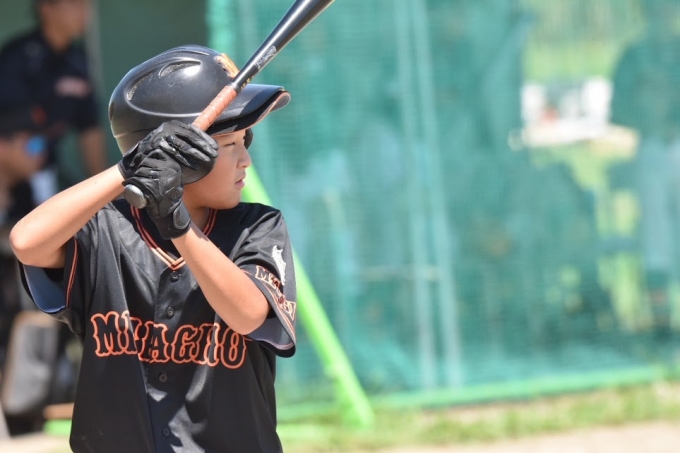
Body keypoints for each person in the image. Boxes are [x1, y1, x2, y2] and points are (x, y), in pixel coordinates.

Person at [8, 44, 297, 452]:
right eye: (230, 143)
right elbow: (26, 242)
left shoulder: (258, 227)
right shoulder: (106, 229)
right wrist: (129, 169)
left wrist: (177, 225)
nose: (245, 159)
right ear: (180, 156)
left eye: (244, 141)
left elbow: (248, 314)